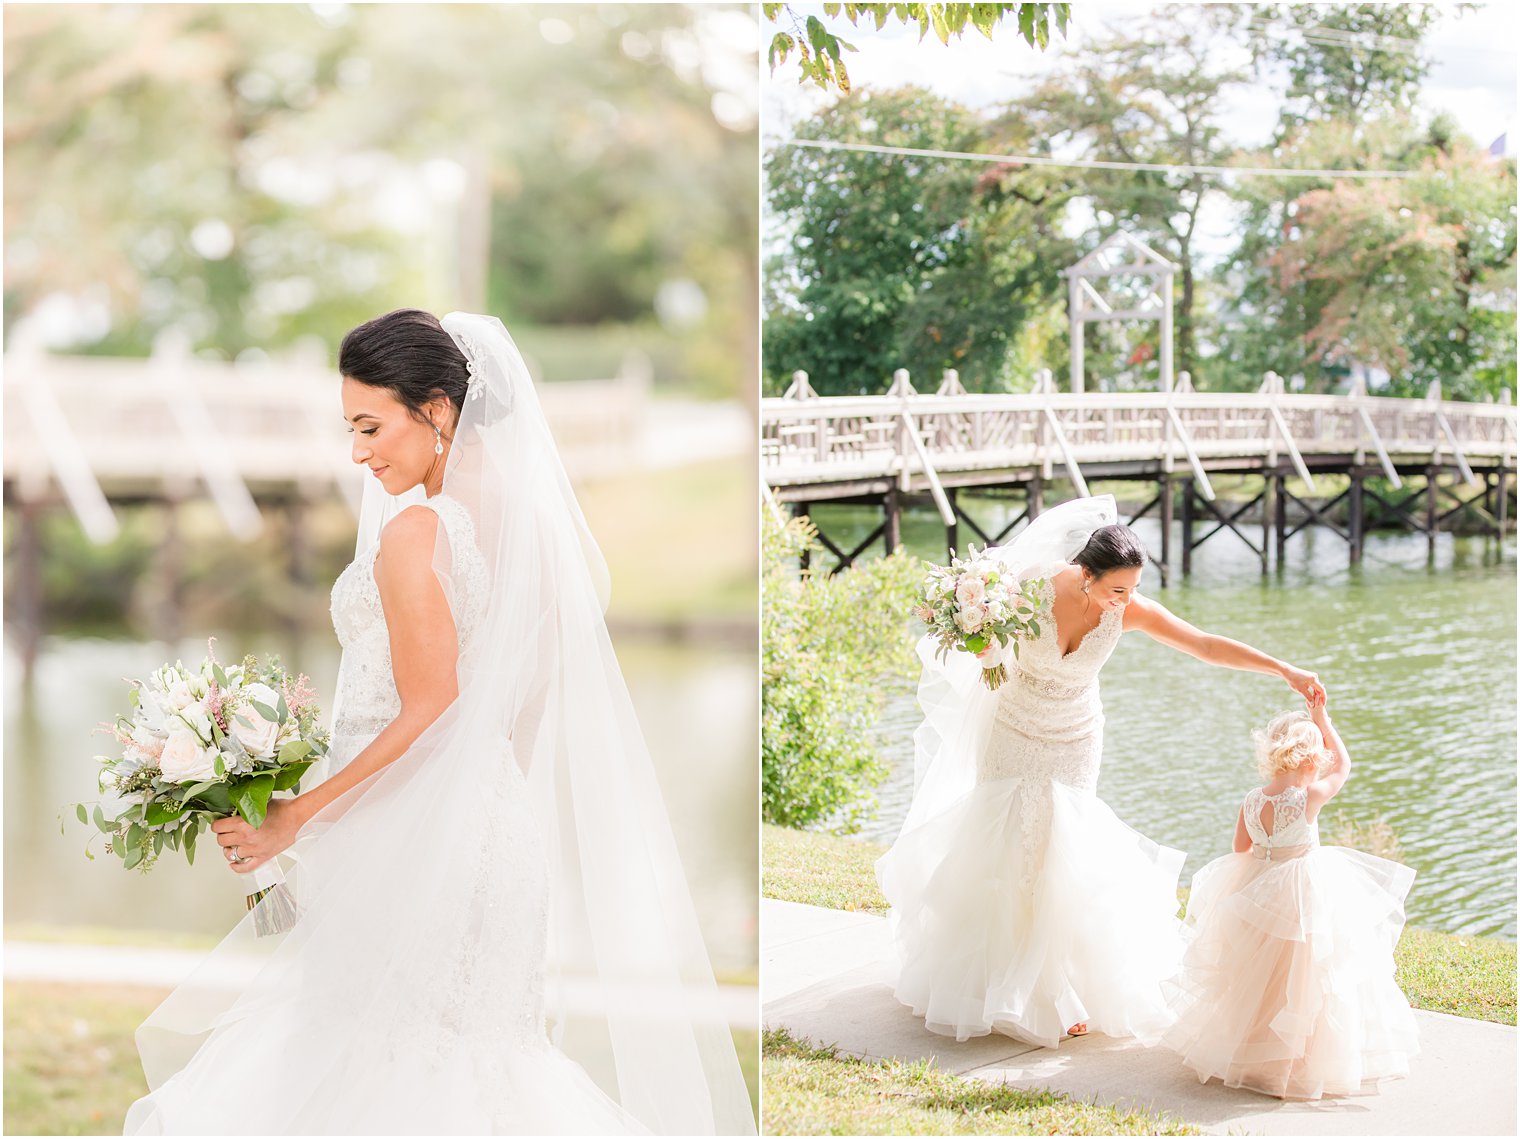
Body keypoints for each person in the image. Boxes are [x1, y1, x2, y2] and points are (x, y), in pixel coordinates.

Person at [124, 310, 755, 1135]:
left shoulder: (419, 531)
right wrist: (482, 816)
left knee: (373, 1066)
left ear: (439, 411)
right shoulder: (530, 527)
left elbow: (429, 707)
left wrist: (293, 820)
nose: (359, 453)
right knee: (486, 1069)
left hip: (414, 839)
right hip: (497, 833)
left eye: (371, 425)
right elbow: (519, 706)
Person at [876, 494, 1324, 1048]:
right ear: (1084, 575)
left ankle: (1064, 988)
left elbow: (1204, 645)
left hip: (1075, 736)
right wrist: (981, 636)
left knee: (1064, 844)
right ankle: (992, 980)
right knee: (1005, 838)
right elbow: (976, 630)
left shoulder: (1127, 609)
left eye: (1133, 590)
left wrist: (1283, 669)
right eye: (1117, 589)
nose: (1126, 602)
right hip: (1013, 726)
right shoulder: (1026, 588)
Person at [1160, 692, 1419, 1099]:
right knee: (1305, 974)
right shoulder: (1308, 798)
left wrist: (1264, 863)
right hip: (1302, 891)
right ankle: (1298, 1059)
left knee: (1258, 975)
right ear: (1312, 760)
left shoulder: (1252, 799)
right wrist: (1324, 717)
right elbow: (1346, 765)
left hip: (1257, 889)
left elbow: (1239, 849)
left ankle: (1250, 1051)